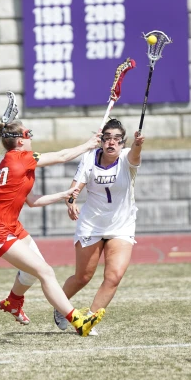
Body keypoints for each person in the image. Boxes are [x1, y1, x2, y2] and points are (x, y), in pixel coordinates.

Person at [0, 120, 104, 336]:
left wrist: (63, 194)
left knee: (34, 271)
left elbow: (32, 201)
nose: (31, 138)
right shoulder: (22, 158)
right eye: (29, 134)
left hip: (10, 225)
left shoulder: (12, 159)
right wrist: (89, 144)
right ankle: (78, 322)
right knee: (45, 272)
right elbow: (62, 156)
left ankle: (13, 302)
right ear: (19, 141)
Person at [52, 119, 145, 332]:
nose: (112, 143)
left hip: (121, 226)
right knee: (83, 277)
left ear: (123, 143)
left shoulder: (126, 157)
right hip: (91, 225)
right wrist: (71, 201)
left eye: (117, 139)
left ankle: (89, 320)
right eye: (108, 138)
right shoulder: (89, 159)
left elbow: (135, 156)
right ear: (101, 140)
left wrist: (139, 144)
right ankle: (61, 306)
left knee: (114, 276)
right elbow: (74, 189)